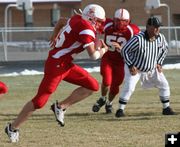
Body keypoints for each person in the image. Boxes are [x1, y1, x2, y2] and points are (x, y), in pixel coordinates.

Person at [5, 4, 108, 143]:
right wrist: (104, 50)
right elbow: (94, 56)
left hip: (65, 64)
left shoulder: (77, 18)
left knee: (93, 85)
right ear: (91, 18)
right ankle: (12, 127)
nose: (101, 24)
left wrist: (54, 36)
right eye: (100, 21)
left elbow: (60, 21)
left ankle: (60, 107)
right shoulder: (86, 28)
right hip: (57, 65)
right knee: (40, 101)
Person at [115, 16, 175, 117]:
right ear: (148, 27)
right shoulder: (138, 38)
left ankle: (166, 108)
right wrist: (130, 65)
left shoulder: (160, 37)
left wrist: (159, 63)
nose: (157, 29)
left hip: (152, 68)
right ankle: (120, 110)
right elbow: (125, 50)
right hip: (136, 68)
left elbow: (165, 49)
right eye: (155, 27)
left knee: (164, 85)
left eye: (158, 27)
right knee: (129, 87)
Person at [92, 8, 140, 113]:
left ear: (129, 21)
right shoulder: (107, 24)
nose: (121, 23)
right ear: (114, 19)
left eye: (124, 21)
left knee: (115, 85)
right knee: (107, 80)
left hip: (121, 62)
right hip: (108, 57)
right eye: (118, 20)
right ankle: (102, 98)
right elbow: (93, 25)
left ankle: (109, 103)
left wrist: (122, 49)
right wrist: (97, 41)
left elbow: (137, 48)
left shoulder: (133, 31)